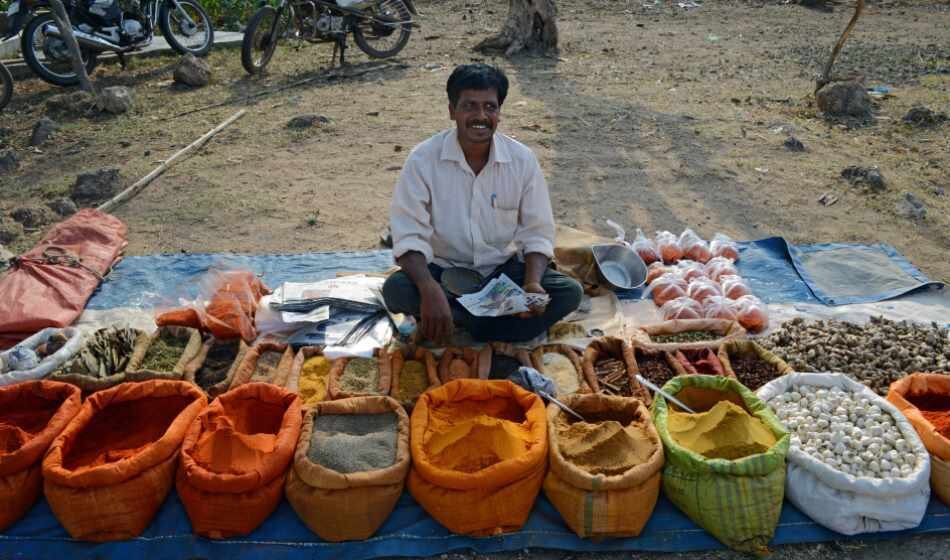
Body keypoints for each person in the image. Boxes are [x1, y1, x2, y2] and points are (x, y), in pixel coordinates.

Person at [383, 63, 583, 343]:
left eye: (490, 107)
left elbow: (537, 232)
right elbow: (408, 234)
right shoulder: (422, 160)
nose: (480, 116)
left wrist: (533, 283)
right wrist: (429, 289)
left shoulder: (522, 161)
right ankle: (486, 323)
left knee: (568, 292)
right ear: (452, 111)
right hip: (443, 275)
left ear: (499, 113)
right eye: (469, 106)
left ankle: (465, 321)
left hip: (502, 275)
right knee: (396, 290)